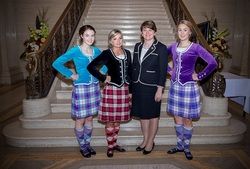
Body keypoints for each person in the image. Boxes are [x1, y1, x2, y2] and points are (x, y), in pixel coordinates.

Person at [52, 25, 107, 158]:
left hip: (94, 87)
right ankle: (82, 146)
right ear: (81, 36)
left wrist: (102, 72)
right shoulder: (75, 51)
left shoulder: (96, 51)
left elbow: (108, 62)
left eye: (92, 35)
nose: (90, 38)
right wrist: (71, 75)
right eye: (87, 35)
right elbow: (56, 63)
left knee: (89, 118)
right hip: (81, 88)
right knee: (80, 119)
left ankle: (88, 144)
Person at [166, 20, 218, 160]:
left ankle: (187, 146)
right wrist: (169, 70)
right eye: (179, 30)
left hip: (189, 87)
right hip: (175, 86)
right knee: (177, 117)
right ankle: (179, 145)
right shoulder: (173, 47)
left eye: (185, 30)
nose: (182, 33)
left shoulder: (196, 48)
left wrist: (199, 75)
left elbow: (213, 62)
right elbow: (160, 58)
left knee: (187, 119)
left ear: (190, 32)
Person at [87, 29, 132, 158]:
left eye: (120, 38)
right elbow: (91, 67)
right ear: (110, 41)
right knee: (110, 121)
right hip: (112, 90)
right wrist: (103, 78)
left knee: (118, 120)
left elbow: (130, 73)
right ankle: (110, 146)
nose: (118, 41)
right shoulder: (107, 53)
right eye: (115, 39)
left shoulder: (128, 53)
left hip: (124, 90)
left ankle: (114, 143)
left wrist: (131, 91)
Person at [130, 20, 168, 155]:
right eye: (145, 30)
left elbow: (163, 71)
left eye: (150, 30)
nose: (147, 33)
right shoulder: (137, 46)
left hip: (152, 87)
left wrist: (160, 89)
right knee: (143, 115)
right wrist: (131, 88)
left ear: (155, 32)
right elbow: (135, 67)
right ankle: (145, 140)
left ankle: (151, 141)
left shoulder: (161, 48)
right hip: (138, 86)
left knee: (152, 116)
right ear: (141, 32)